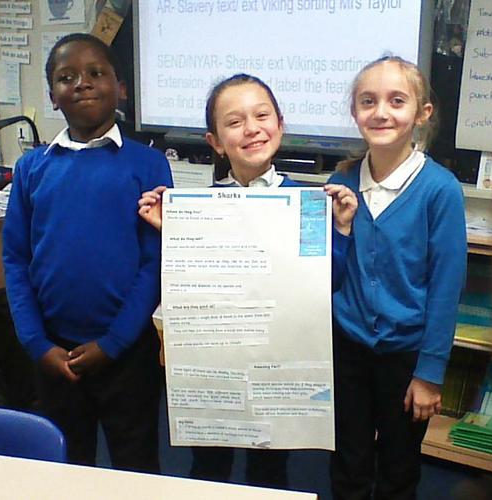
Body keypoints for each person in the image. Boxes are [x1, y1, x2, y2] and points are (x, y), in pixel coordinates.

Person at [137, 73, 358, 490]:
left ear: (280, 125)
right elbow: (192, 283)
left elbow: (327, 281)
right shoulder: (199, 206)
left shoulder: (305, 202)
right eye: (235, 122)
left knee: (270, 469)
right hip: (215, 363)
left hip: (278, 359)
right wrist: (172, 230)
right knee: (208, 466)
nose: (252, 128)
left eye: (262, 116)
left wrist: (342, 231)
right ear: (216, 142)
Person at [2, 33, 172, 471]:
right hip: (54, 353)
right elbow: (16, 259)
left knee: (136, 469)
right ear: (52, 96)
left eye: (96, 73)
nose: (82, 83)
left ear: (121, 87)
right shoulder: (31, 168)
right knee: (65, 468)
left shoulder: (148, 164)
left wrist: (114, 342)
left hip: (125, 352)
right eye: (67, 77)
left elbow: (155, 261)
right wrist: (36, 343)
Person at [327, 56, 467, 500]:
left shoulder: (440, 190)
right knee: (347, 462)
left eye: (396, 101)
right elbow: (327, 271)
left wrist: (430, 373)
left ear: (422, 113)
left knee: (399, 467)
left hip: (406, 357)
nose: (381, 112)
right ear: (355, 112)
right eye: (368, 101)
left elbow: (446, 288)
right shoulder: (341, 182)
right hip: (347, 351)